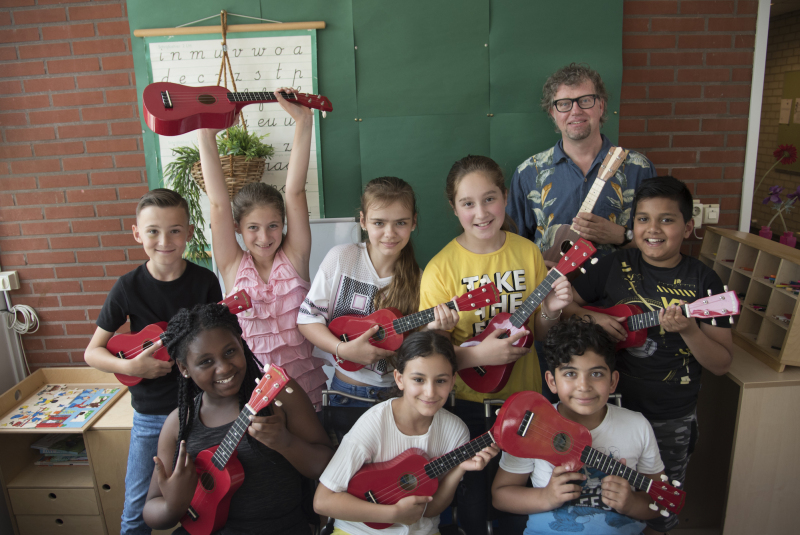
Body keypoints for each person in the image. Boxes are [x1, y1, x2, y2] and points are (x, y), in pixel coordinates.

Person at [562, 176, 734, 533]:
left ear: (688, 227)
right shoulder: (612, 266)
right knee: (604, 501)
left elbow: (721, 363)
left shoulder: (706, 283)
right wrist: (595, 316)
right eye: (643, 219)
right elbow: (565, 306)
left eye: (666, 220)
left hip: (670, 415)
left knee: (660, 504)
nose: (653, 229)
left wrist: (688, 329)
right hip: (609, 412)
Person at [419, 155, 573, 535]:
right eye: (468, 203)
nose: (481, 212)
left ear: (505, 197)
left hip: (526, 402)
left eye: (490, 199)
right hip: (468, 408)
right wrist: (477, 356)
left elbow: (545, 333)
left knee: (518, 506)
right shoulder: (440, 270)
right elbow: (428, 359)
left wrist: (552, 310)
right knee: (473, 504)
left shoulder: (527, 253)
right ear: (454, 209)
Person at [84, 189, 223, 535]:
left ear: (190, 233)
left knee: (211, 497)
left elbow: (219, 341)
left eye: (175, 230)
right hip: (150, 415)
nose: (165, 240)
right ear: (137, 234)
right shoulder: (127, 287)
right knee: (136, 508)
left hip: (200, 409)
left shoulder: (205, 282)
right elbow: (92, 352)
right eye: (153, 231)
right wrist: (133, 368)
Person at [142, 303, 334, 534]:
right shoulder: (179, 424)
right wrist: (174, 505)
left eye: (230, 351)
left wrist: (287, 443)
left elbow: (327, 467)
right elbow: (152, 510)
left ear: (242, 345)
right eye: (205, 361)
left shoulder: (279, 395)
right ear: (184, 368)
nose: (223, 368)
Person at [198, 88, 328, 411]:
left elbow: (295, 191)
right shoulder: (232, 265)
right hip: (253, 395)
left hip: (305, 393)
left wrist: (304, 120)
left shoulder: (294, 257)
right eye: (253, 228)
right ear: (238, 229)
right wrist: (206, 135)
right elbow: (217, 203)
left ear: (284, 225)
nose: (264, 237)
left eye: (273, 225)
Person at [492, 316, 666, 535]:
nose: (584, 386)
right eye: (570, 374)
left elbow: (660, 502)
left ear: (612, 381)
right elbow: (501, 496)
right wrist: (546, 497)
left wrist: (631, 503)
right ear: (552, 381)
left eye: (596, 374)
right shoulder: (533, 425)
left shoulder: (637, 426)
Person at [313, 330, 499, 535]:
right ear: (399, 379)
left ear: (453, 381)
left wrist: (459, 468)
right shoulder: (375, 423)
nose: (430, 392)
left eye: (441, 381)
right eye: (418, 380)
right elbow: (323, 501)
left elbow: (430, 510)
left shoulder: (455, 431)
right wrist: (393, 514)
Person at [297, 177, 459, 406]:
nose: (390, 233)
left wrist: (433, 327)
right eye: (379, 223)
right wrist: (343, 349)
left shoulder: (422, 279)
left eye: (400, 223)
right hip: (345, 392)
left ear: (413, 222)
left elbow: (416, 349)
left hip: (396, 396)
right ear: (363, 221)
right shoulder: (341, 258)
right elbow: (307, 319)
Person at [507, 62, 657, 262]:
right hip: (552, 289)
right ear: (553, 113)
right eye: (564, 104)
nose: (575, 110)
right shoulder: (528, 172)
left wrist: (620, 235)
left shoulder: (639, 168)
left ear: (601, 106)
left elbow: (658, 239)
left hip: (621, 288)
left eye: (585, 100)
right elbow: (512, 245)